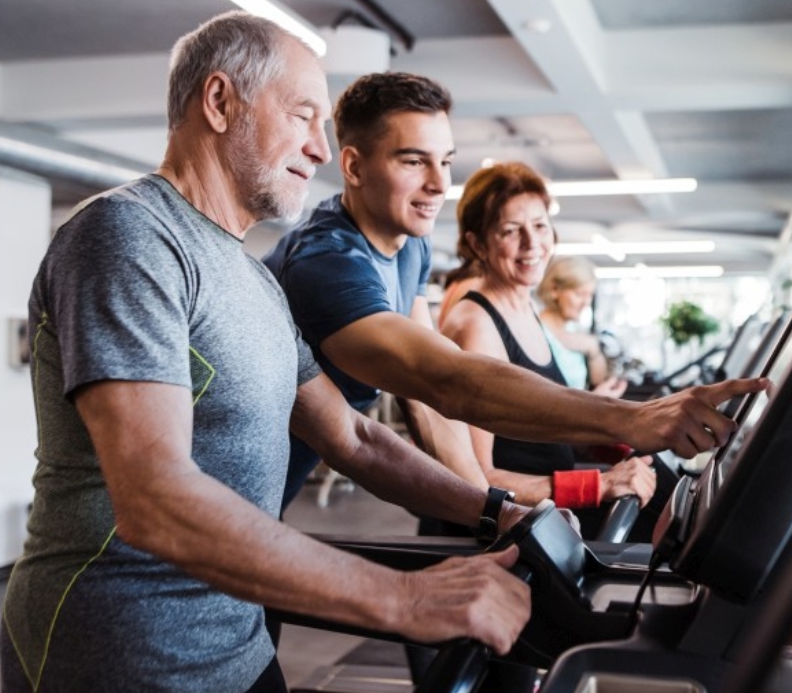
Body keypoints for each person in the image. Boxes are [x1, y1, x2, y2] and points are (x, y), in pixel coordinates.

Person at [0, 11, 531, 693]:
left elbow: (356, 437)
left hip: (241, 645)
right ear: (220, 102)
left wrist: (496, 510)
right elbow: (155, 499)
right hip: (120, 657)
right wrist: (406, 601)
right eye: (304, 115)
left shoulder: (252, 275)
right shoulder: (127, 236)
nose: (320, 149)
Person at [264, 72, 763, 509]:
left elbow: (424, 403)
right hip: (219, 485)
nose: (440, 183)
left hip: (266, 493)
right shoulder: (328, 263)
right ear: (352, 167)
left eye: (446, 161)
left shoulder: (408, 247)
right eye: (415, 161)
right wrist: (630, 421)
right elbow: (445, 380)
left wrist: (492, 514)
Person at [438, 163, 656, 528]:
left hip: (547, 518)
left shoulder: (525, 309)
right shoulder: (477, 326)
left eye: (539, 226)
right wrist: (596, 485)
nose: (532, 243)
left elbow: (535, 432)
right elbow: (476, 478)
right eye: (511, 230)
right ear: (478, 244)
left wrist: (618, 438)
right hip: (503, 533)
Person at [537, 256, 625, 397]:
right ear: (554, 289)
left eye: (589, 295)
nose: (586, 302)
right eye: (579, 294)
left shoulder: (573, 330)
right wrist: (594, 400)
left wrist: (593, 350)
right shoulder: (536, 331)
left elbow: (598, 381)